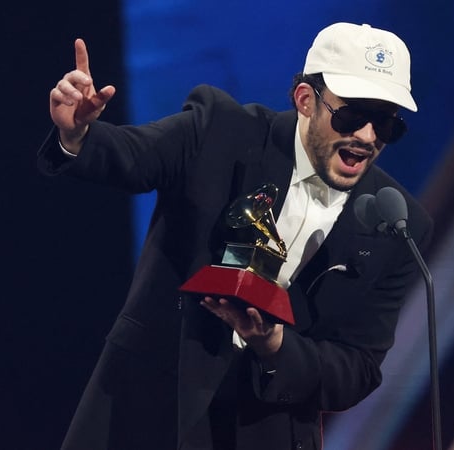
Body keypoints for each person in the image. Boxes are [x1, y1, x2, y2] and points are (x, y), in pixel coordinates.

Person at [40, 22, 433, 450]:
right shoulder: (221, 131)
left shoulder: (399, 226)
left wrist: (275, 344)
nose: (367, 137)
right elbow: (135, 155)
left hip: (266, 428)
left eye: (385, 124)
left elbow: (357, 369)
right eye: (351, 116)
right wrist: (77, 135)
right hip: (148, 405)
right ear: (305, 100)